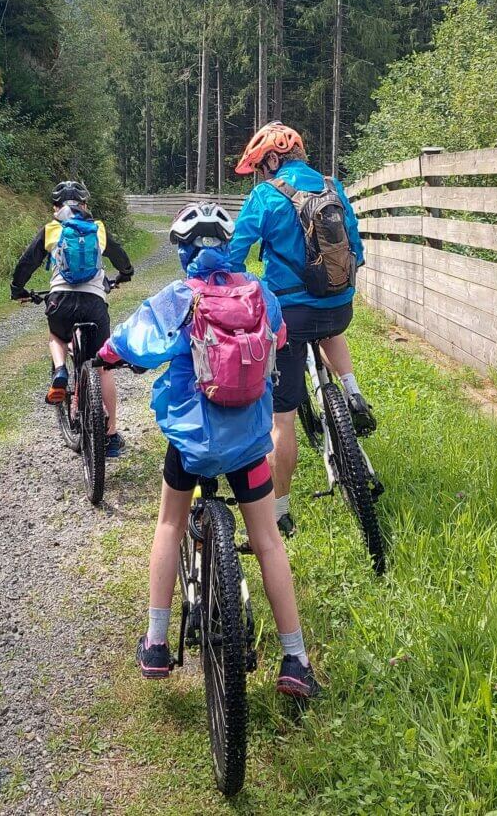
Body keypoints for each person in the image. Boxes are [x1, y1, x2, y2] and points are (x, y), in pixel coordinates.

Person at [96, 202, 321, 698]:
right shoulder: (260, 292)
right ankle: (295, 659)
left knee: (170, 524)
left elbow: (132, 342)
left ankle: (156, 643)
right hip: (249, 444)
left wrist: (107, 354)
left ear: (184, 252)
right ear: (228, 246)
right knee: (267, 542)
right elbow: (279, 337)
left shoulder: (180, 297)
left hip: (192, 446)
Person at [228, 122, 375, 537]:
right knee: (329, 328)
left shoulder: (265, 195)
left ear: (273, 159)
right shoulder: (333, 186)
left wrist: (244, 289)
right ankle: (352, 391)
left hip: (288, 319)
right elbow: (356, 249)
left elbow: (235, 256)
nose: (261, 174)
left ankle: (278, 512)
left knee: (282, 420)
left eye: (261, 166)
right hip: (339, 306)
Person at [11, 181, 134, 459]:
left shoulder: (52, 229)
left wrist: (17, 289)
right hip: (94, 303)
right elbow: (119, 255)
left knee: (57, 336)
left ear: (56, 207)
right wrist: (125, 273)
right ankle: (111, 436)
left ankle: (59, 371)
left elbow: (26, 263)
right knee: (103, 367)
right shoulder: (97, 228)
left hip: (60, 301)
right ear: (85, 205)